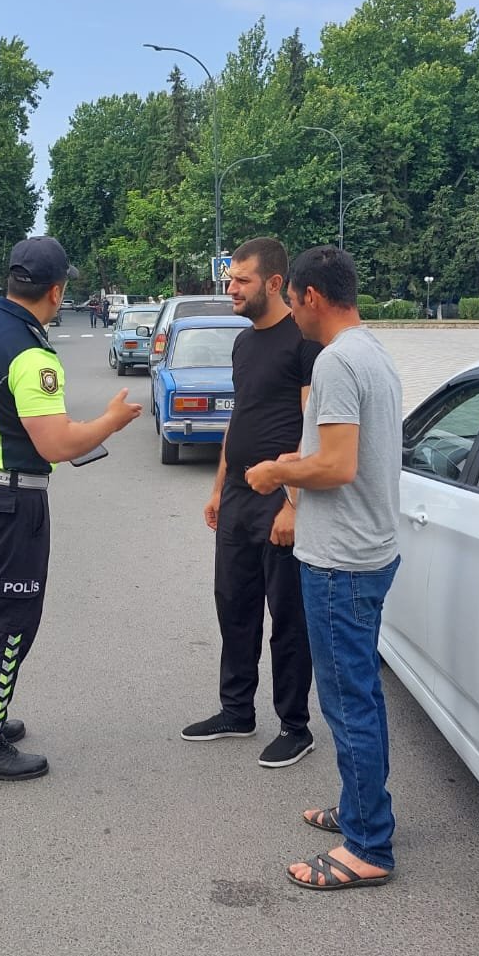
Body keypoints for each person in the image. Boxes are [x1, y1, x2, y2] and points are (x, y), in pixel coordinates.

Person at [0, 236, 141, 782]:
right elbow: (57, 444)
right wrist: (111, 422)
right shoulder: (31, 354)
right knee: (9, 625)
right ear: (56, 291)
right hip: (5, 502)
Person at [246, 245, 403, 892]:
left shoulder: (337, 361)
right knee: (357, 696)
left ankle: (368, 845)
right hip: (368, 550)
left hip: (340, 560)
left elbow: (337, 466)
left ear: (309, 296)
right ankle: (362, 810)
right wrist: (299, 459)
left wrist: (280, 470)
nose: (294, 316)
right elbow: (348, 454)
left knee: (347, 703)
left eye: (296, 303)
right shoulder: (373, 350)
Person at [184, 238, 319, 768]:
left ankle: (295, 725)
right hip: (238, 498)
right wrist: (218, 487)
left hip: (279, 500)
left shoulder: (301, 343)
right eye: (229, 278)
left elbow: (311, 428)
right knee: (233, 607)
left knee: (287, 619)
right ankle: (236, 710)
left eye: (240, 280)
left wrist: (293, 504)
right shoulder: (244, 344)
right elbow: (238, 419)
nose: (229, 287)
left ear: (275, 283)